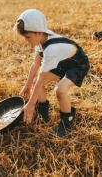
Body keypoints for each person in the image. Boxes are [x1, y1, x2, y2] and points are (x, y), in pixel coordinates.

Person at [13, 9, 90, 137]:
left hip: (77, 64)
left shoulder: (51, 49)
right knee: (34, 81)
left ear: (38, 32)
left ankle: (66, 124)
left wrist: (30, 104)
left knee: (59, 90)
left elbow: (42, 79)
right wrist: (27, 85)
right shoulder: (40, 42)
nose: (26, 41)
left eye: (28, 37)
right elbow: (35, 65)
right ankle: (43, 115)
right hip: (62, 62)